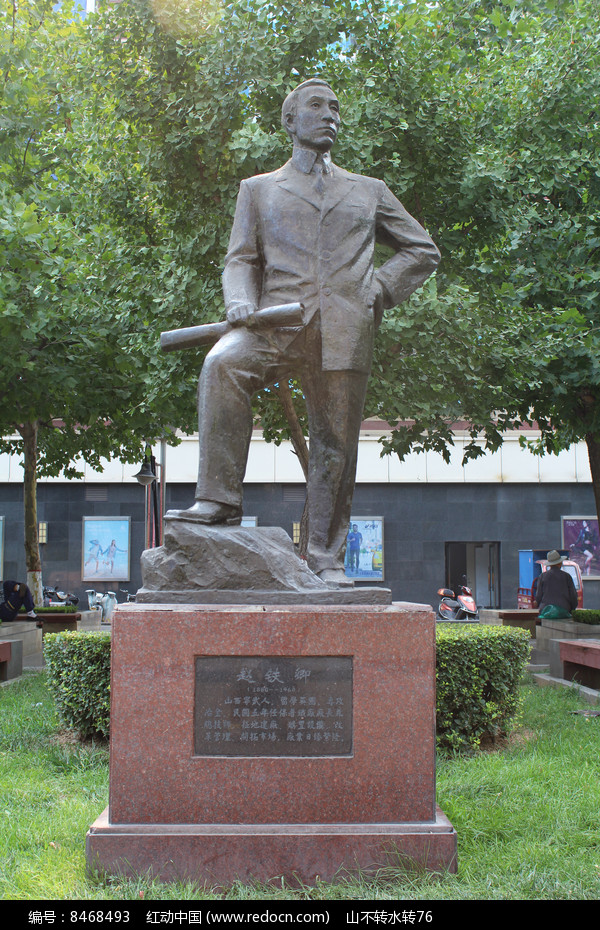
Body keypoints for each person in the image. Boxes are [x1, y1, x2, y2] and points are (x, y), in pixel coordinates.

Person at [169, 78, 440, 586]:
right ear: (290, 121)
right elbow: (240, 259)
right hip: (278, 322)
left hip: (346, 327)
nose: (330, 114)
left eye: (336, 108)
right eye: (317, 106)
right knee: (222, 363)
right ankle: (218, 500)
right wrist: (239, 300)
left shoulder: (369, 191)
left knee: (335, 442)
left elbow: (421, 251)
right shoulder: (258, 189)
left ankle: (326, 556)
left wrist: (377, 289)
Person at [534, 550, 578, 617]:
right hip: (564, 612)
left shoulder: (542, 576)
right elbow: (573, 597)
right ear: (560, 563)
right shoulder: (567, 576)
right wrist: (572, 609)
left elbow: (538, 597)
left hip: (546, 612)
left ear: (550, 564)